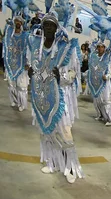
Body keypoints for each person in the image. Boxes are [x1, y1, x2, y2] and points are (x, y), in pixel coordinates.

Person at [26, 12, 83, 183]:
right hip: (40, 98)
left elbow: (73, 72)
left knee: (65, 133)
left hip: (60, 98)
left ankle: (71, 166)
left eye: (52, 25)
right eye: (46, 25)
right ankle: (52, 163)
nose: (48, 27)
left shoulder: (64, 48)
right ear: (42, 27)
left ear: (56, 28)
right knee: (46, 134)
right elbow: (30, 63)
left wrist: (62, 77)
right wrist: (29, 70)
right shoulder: (36, 45)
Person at [85, 41, 111, 126]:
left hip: (105, 84)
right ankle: (100, 115)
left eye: (102, 47)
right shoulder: (94, 57)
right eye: (98, 47)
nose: (100, 49)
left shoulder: (108, 58)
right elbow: (92, 69)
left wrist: (106, 76)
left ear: (104, 48)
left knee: (106, 101)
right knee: (97, 101)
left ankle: (109, 118)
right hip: (96, 83)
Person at [3, 16, 29, 111]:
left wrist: (28, 63)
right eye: (16, 21)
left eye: (19, 22)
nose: (18, 23)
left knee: (21, 86)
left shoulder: (25, 36)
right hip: (10, 64)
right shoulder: (9, 34)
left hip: (21, 64)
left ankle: (22, 103)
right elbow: (6, 47)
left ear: (21, 24)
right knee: (11, 85)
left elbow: (29, 49)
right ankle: (14, 101)